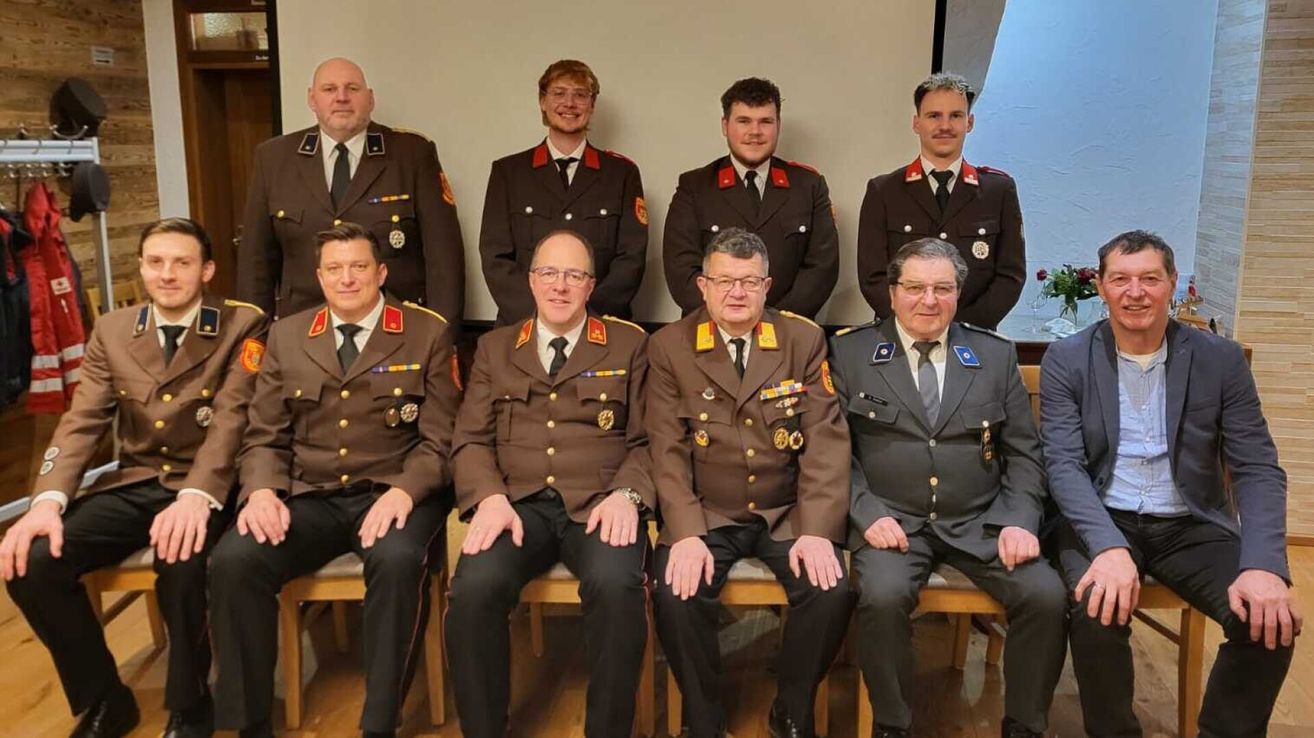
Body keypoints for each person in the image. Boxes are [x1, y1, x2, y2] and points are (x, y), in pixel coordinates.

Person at [1, 217, 267, 738]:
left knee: (183, 558)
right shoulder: (114, 331)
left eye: (182, 263)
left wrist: (198, 495)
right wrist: (46, 501)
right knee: (30, 563)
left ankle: (191, 705)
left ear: (207, 270)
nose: (167, 274)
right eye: (156, 262)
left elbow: (234, 418)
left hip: (210, 484)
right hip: (138, 480)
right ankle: (105, 697)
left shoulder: (243, 326)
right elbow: (82, 421)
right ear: (142, 267)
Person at [1040, 230, 1300, 737]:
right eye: (1121, 279)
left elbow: (1257, 467)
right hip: (1102, 517)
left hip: (1191, 522)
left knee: (1270, 623)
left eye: (1149, 279)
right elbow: (1064, 466)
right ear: (1101, 287)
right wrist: (1108, 547)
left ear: (1173, 284)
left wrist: (1266, 564)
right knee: (1096, 607)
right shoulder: (1067, 359)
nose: (1135, 292)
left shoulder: (1219, 360)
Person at [209, 222, 462, 738]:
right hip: (310, 496)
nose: (348, 279)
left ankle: (379, 723)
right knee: (234, 560)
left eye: (359, 266)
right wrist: (260, 490)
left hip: (393, 493)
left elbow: (443, 441)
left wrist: (405, 491)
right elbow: (263, 433)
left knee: (397, 561)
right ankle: (247, 723)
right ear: (319, 276)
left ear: (381, 272)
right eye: (335, 269)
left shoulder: (426, 332)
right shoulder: (287, 334)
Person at [830, 238, 1064, 738]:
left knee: (1045, 595)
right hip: (892, 522)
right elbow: (832, 454)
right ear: (892, 293)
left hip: (981, 522)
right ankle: (892, 724)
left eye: (942, 288)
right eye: (914, 287)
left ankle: (1024, 726)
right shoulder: (849, 353)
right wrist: (866, 514)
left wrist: (1020, 521)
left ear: (959, 294)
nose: (928, 301)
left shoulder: (993, 355)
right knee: (882, 596)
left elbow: (1024, 453)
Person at [447, 229, 652, 737]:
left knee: (616, 587)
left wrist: (628, 495)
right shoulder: (495, 348)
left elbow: (653, 440)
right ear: (532, 281)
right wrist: (489, 497)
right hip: (516, 506)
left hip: (601, 504)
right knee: (473, 589)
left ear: (591, 286)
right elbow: (469, 440)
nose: (560, 286)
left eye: (574, 275)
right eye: (549, 273)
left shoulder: (630, 345)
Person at [648, 228, 851, 738]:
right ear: (702, 286)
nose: (736, 293)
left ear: (767, 286)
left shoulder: (801, 339)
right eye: (724, 281)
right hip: (707, 512)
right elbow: (666, 448)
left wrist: (818, 529)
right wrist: (686, 531)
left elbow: (825, 440)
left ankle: (791, 709)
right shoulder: (670, 346)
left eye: (748, 282)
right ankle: (703, 717)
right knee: (675, 593)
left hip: (786, 512)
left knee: (830, 591)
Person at [237, 57, 465, 322]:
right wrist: (253, 338)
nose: (341, 97)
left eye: (352, 88)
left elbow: (444, 258)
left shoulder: (411, 154)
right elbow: (256, 261)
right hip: (303, 333)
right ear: (312, 99)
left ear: (370, 99)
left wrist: (442, 337)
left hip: (397, 329)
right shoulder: (275, 158)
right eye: (329, 89)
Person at [479, 60, 648, 323]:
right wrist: (542, 317)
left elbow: (631, 259)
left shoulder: (621, 174)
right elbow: (495, 257)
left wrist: (582, 318)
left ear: (592, 106)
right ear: (542, 101)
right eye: (559, 93)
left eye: (580, 95)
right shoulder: (509, 172)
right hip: (523, 325)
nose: (569, 103)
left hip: (601, 326)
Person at [857, 72, 1025, 330]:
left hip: (973, 337)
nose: (945, 126)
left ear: (969, 122)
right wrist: (914, 326)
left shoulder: (998, 191)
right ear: (916, 123)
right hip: (901, 337)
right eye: (934, 116)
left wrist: (961, 330)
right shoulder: (884, 191)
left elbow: (1010, 275)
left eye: (955, 116)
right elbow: (873, 277)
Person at [663, 78, 838, 319]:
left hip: (787, 334)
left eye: (765, 121)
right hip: (712, 333)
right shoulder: (694, 187)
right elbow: (681, 270)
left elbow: (821, 270)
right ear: (725, 125)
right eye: (743, 121)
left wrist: (774, 323)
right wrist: (731, 321)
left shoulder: (809, 186)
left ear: (778, 125)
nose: (755, 132)